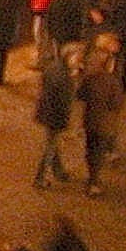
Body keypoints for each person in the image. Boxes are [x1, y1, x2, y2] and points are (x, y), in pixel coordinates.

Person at [79, 32, 126, 196]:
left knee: (90, 149)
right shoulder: (113, 83)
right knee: (99, 152)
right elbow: (117, 104)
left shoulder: (91, 78)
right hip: (105, 123)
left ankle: (91, 176)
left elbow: (81, 95)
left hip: (90, 120)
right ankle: (94, 182)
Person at [34, 36, 77, 187]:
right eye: (75, 57)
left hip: (46, 113)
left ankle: (59, 170)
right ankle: (40, 178)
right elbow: (63, 100)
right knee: (50, 147)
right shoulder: (62, 76)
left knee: (53, 144)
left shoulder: (54, 69)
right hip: (54, 116)